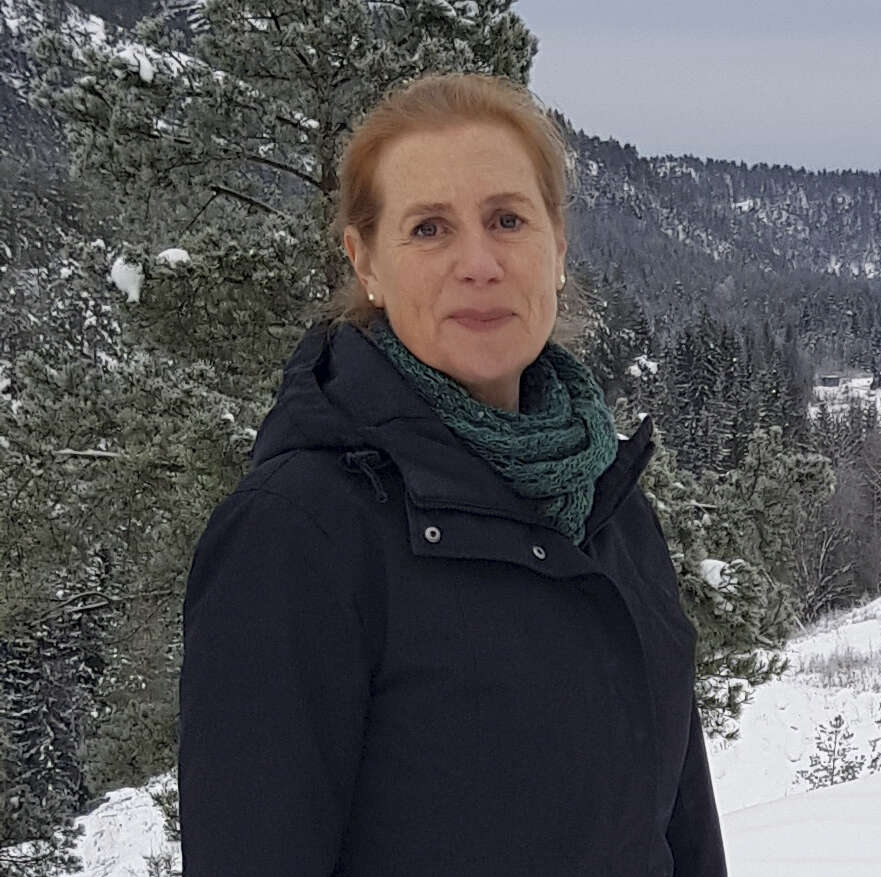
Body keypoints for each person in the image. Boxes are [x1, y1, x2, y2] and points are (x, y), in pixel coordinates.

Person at [177, 72, 727, 876]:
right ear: (366, 262)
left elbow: (679, 828)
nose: (479, 262)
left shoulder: (605, 498)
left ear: (556, 247)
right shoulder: (299, 532)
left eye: (507, 219)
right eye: (429, 228)